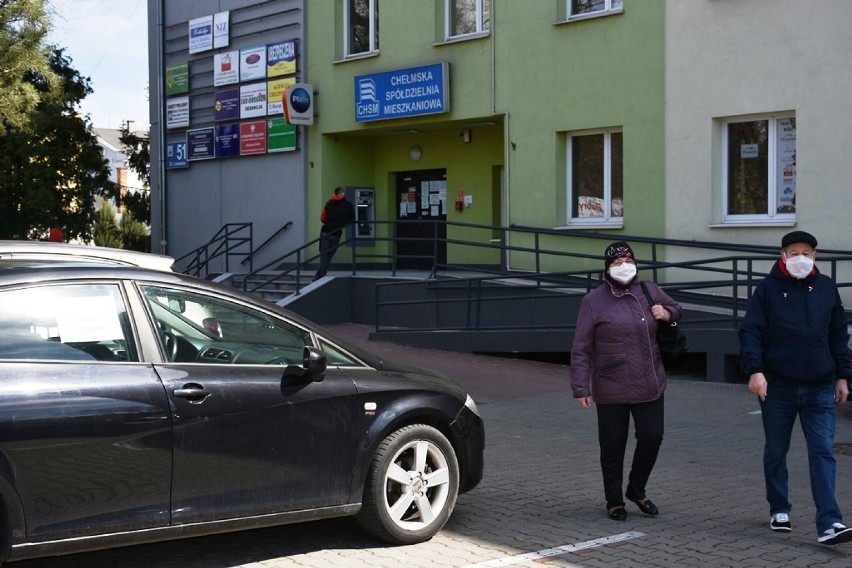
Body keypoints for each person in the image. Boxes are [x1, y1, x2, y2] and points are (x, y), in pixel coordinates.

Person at [739, 230, 852, 545]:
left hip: (819, 387)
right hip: (777, 387)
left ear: (815, 256)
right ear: (783, 256)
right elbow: (751, 331)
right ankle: (779, 508)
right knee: (776, 450)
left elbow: (837, 334)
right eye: (794, 252)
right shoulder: (768, 289)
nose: (800, 257)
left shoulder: (826, 288)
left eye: (807, 252)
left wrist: (843, 375)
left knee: (823, 453)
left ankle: (830, 522)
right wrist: (755, 370)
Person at [570, 241, 682, 521]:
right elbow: (581, 347)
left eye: (628, 260)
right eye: (617, 263)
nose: (624, 266)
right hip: (610, 384)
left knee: (652, 437)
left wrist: (666, 314)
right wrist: (580, 386)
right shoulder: (593, 301)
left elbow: (677, 309)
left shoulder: (650, 290)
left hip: (650, 380)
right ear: (607, 268)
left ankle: (636, 488)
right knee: (612, 445)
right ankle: (614, 500)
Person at [314, 186, 355, 280]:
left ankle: (319, 275)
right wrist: (343, 225)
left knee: (323, 254)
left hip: (325, 231)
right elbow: (352, 218)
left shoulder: (329, 203)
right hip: (337, 233)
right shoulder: (348, 204)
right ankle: (320, 275)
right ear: (342, 193)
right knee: (330, 254)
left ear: (335, 193)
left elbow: (322, 218)